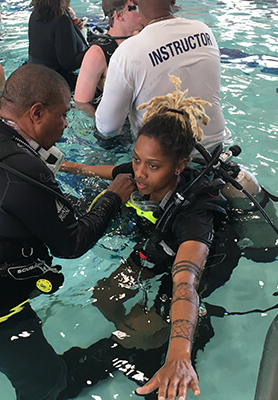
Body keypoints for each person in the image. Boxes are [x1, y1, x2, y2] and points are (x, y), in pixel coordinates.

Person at [0, 64, 135, 400]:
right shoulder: (23, 171)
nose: (65, 125)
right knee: (44, 385)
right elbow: (72, 243)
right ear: (36, 113)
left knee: (36, 366)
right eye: (62, 115)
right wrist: (113, 197)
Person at [61, 76, 241, 400]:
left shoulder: (195, 214)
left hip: (198, 258)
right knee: (103, 294)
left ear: (179, 166)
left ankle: (164, 341)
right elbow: (116, 172)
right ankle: (140, 335)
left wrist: (179, 353)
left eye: (153, 166)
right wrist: (66, 165)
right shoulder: (142, 174)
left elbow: (186, 282)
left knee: (138, 327)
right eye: (137, 159)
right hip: (163, 242)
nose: (140, 173)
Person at [94, 0, 229, 150]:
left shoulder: (128, 52)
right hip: (216, 149)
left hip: (162, 160)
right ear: (174, 1)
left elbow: (107, 127)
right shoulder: (204, 31)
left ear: (132, 2)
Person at [74, 0, 144, 116]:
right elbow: (82, 104)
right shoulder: (97, 54)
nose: (144, 12)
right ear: (118, 15)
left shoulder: (145, 41)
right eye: (135, 8)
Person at [28, 0, 88, 89]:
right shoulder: (61, 19)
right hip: (56, 83)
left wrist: (73, 29)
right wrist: (94, 48)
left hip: (34, 75)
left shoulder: (35, 14)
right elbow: (69, 64)